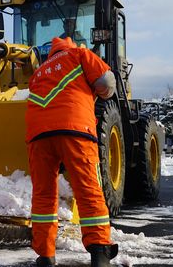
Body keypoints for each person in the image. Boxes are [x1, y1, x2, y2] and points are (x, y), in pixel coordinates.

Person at [25, 37, 118, 267]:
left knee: (44, 195)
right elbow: (107, 82)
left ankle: (45, 255)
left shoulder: (38, 73)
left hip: (38, 136)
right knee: (88, 189)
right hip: (75, 130)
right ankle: (100, 252)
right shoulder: (80, 55)